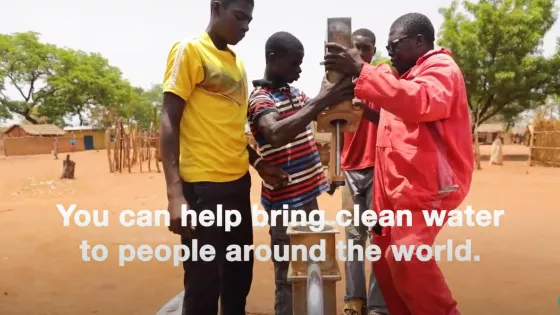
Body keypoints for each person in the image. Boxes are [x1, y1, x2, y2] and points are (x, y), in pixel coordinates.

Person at [323, 12, 474, 315]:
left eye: (394, 44)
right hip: (394, 189)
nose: (389, 51)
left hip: (427, 188)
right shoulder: (407, 77)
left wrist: (363, 71)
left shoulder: (441, 68)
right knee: (384, 262)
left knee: (407, 256)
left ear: (419, 41)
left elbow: (420, 101)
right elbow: (394, 124)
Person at [159, 1, 290, 314]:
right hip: (203, 188)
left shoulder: (237, 65)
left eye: (249, 20)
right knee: (204, 283)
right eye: (239, 17)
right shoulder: (190, 50)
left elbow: (230, 130)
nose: (245, 26)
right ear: (216, 8)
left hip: (236, 185)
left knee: (237, 276)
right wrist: (175, 194)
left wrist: (258, 164)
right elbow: (168, 120)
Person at [247, 31, 355, 315]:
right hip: (284, 204)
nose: (299, 70)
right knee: (289, 275)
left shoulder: (295, 94)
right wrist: (320, 101)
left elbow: (321, 106)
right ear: (272, 59)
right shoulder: (261, 98)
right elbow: (275, 133)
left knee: (312, 268)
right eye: (294, 64)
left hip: (308, 199)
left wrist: (337, 77)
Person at [334, 28, 387, 315]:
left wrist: (364, 109)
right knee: (354, 237)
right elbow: (332, 128)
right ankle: (354, 299)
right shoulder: (340, 83)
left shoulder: (382, 77)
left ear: (373, 51)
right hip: (350, 169)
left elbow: (391, 117)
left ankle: (378, 304)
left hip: (379, 169)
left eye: (365, 48)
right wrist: (334, 169)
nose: (360, 51)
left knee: (379, 237)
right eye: (355, 47)